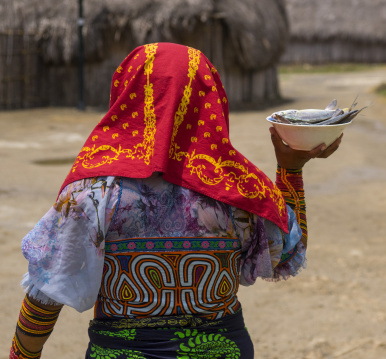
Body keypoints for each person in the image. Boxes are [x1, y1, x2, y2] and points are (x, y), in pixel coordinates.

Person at [9, 42, 342, 359]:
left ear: (127, 95)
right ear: (210, 100)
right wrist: (290, 170)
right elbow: (288, 251)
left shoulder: (93, 194)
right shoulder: (237, 189)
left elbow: (44, 293)